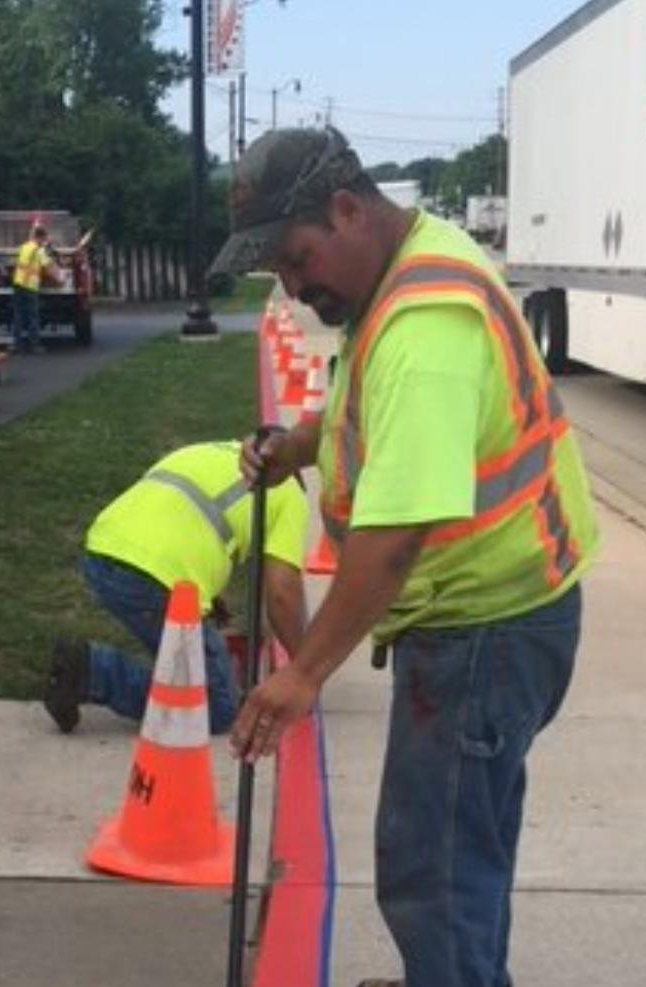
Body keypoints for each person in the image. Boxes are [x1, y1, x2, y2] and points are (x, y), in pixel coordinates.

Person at [211, 126, 600, 987]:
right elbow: (366, 415)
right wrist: (300, 444)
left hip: (484, 629)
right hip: (501, 617)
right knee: (465, 848)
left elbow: (393, 536)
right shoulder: (399, 271)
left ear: (347, 209)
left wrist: (301, 671)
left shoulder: (425, 323)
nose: (295, 284)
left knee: (433, 868)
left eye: (296, 258)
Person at [43, 439, 308, 736]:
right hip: (154, 579)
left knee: (186, 663)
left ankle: (99, 670)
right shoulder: (290, 493)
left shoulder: (208, 451)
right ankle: (94, 672)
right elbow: (282, 594)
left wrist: (209, 595)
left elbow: (184, 517)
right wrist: (307, 669)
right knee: (216, 707)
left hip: (101, 552)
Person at [11, 223, 51, 353]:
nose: (44, 241)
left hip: (18, 284)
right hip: (30, 286)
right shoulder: (38, 250)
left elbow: (19, 263)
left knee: (18, 316)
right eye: (44, 239)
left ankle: (16, 345)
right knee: (33, 316)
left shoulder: (24, 247)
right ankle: (34, 346)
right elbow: (47, 266)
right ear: (40, 237)